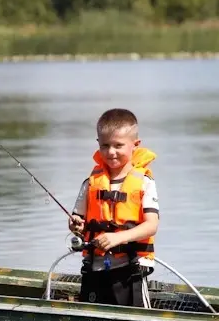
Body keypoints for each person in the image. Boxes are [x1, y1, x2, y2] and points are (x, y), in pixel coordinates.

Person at [68, 108, 159, 308]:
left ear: (135, 145)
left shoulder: (144, 182)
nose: (111, 152)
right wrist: (76, 226)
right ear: (98, 144)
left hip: (132, 269)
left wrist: (118, 237)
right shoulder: (91, 183)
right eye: (105, 145)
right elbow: (78, 222)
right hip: (95, 268)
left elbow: (151, 226)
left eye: (118, 145)